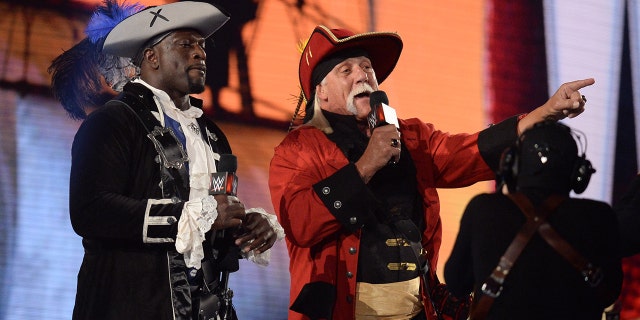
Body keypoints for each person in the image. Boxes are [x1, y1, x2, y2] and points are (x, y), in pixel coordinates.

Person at [268, 25, 594, 320]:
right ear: (321, 92)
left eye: (367, 67)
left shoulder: (411, 136)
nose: (363, 75)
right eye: (346, 69)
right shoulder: (298, 150)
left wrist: (545, 113)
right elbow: (300, 224)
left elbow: (470, 152)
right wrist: (366, 165)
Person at [48, 1, 283, 319]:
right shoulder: (112, 122)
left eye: (201, 45)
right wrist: (190, 216)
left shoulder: (212, 136)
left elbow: (218, 206)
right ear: (151, 57)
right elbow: (90, 210)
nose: (200, 53)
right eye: (186, 44)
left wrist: (246, 227)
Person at [444, 121, 623, 319]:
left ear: (512, 165)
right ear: (578, 173)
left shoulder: (482, 208)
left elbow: (456, 283)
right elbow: (609, 294)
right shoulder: (600, 217)